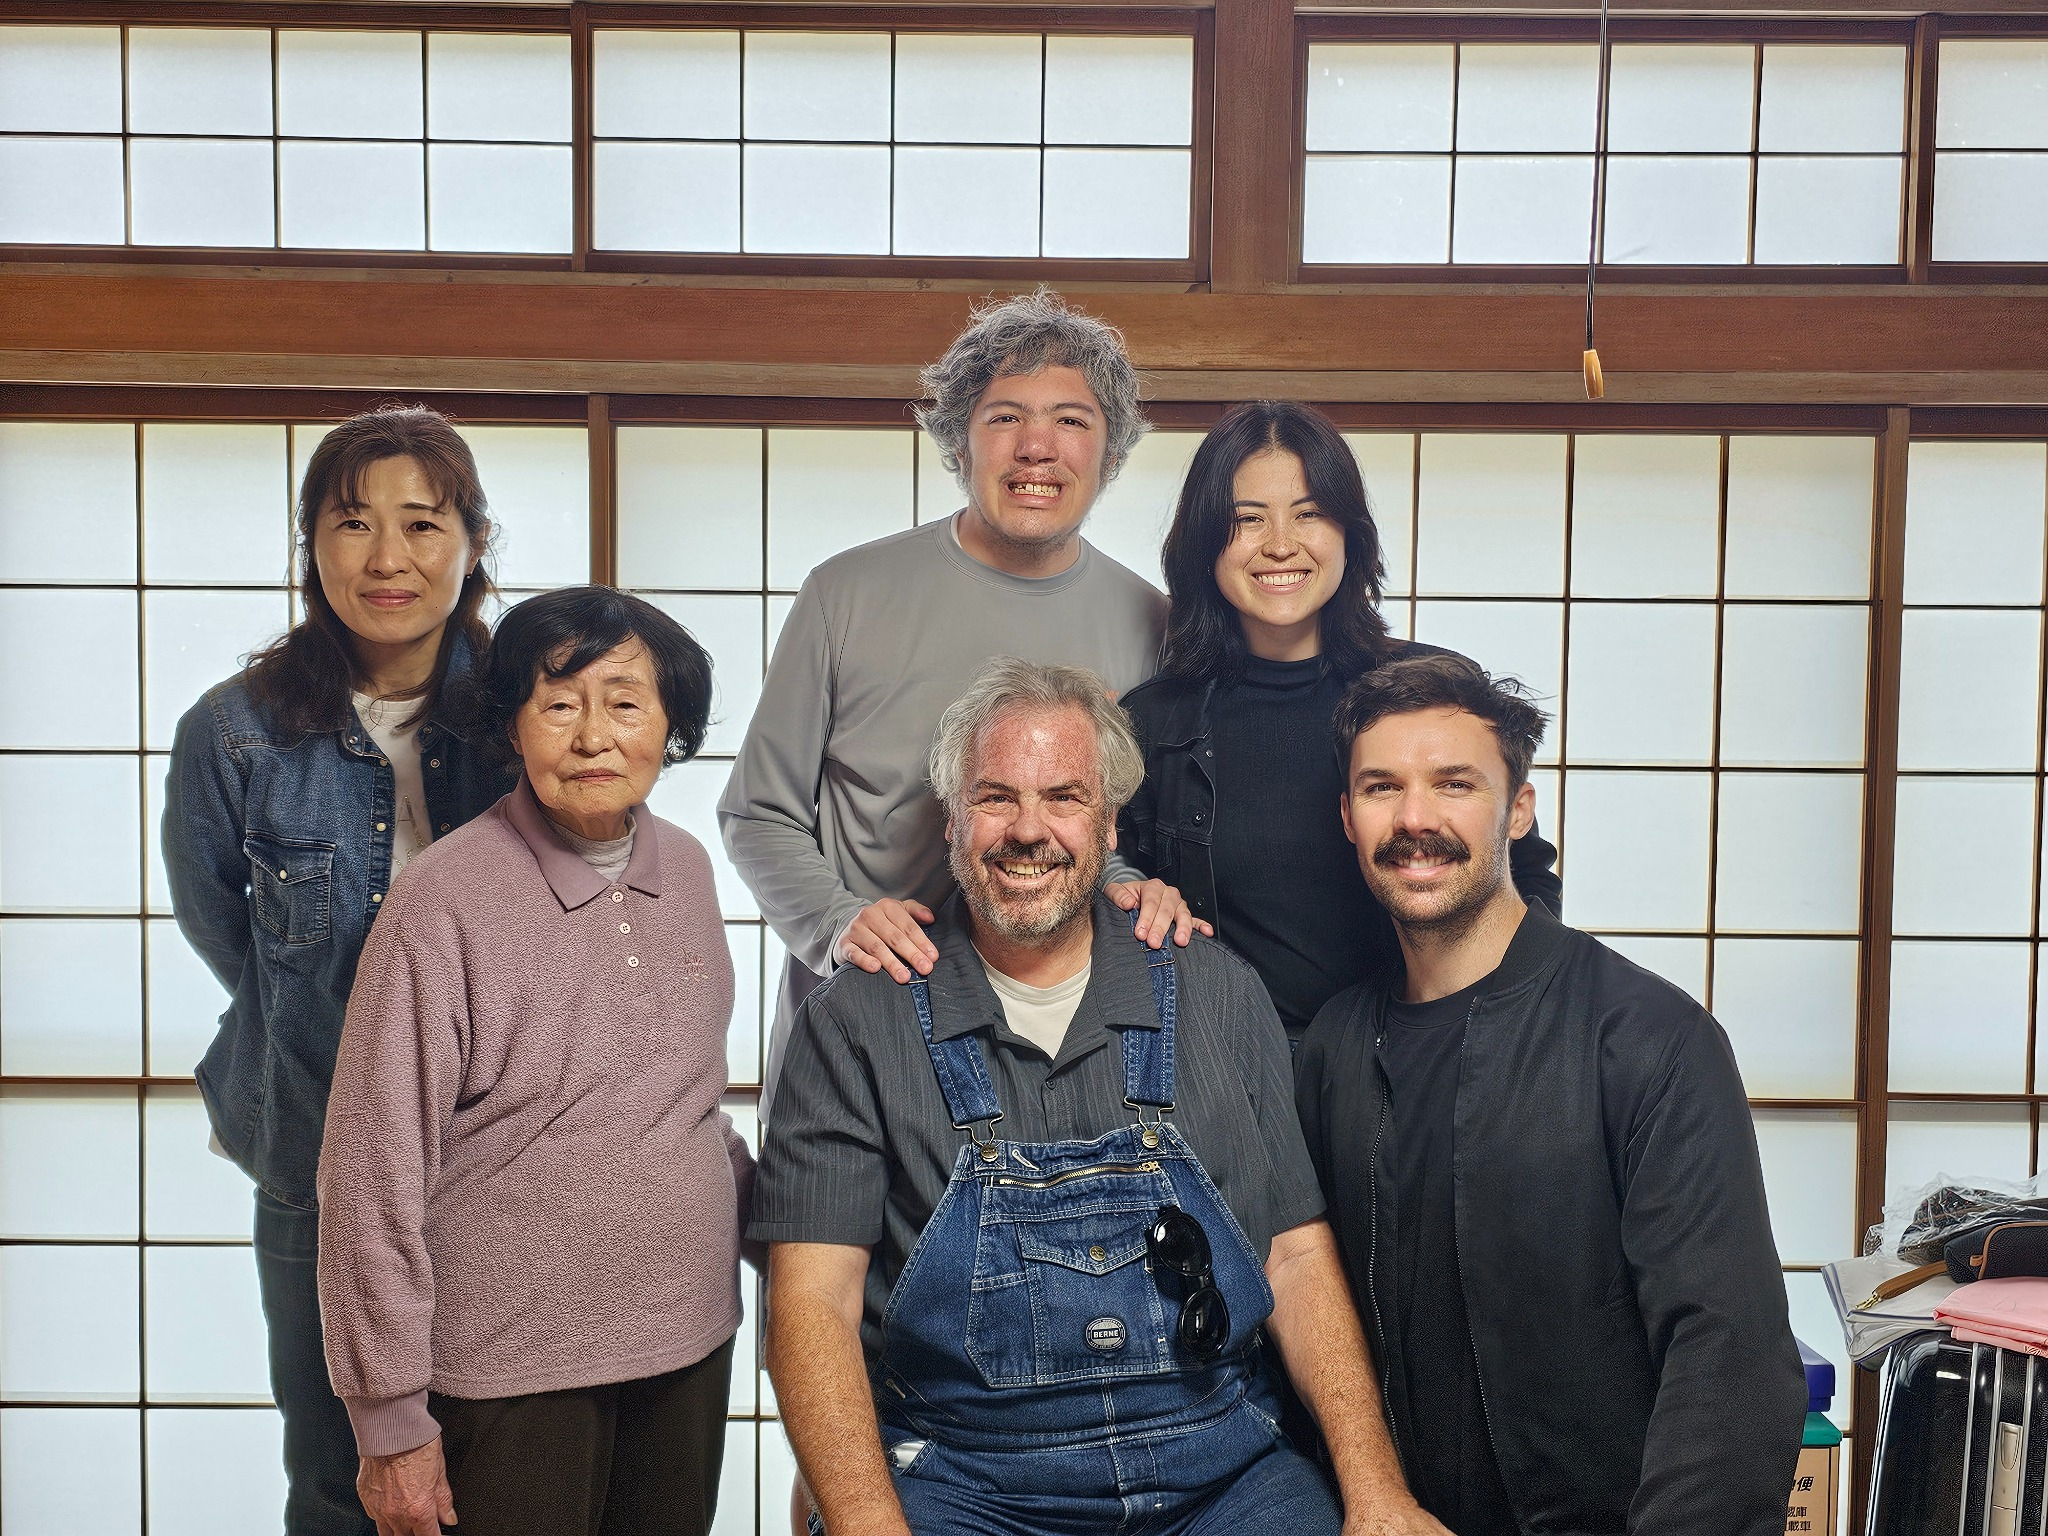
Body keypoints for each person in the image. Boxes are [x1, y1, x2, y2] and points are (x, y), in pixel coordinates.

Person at [752, 658, 1441, 1536]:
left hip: (1221, 1468)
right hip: (963, 1476)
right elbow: (812, 1305)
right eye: (995, 797)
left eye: (1064, 798)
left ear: (1110, 821)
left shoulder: (1216, 991)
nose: (1028, 831)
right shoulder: (854, 1023)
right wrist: (863, 1522)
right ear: (954, 819)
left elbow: (1297, 1262)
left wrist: (1379, 1492)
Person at [1294, 651, 1804, 1536]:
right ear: (1347, 816)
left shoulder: (1648, 1039)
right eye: (1382, 788)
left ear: (1518, 809)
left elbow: (1730, 1360)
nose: (1415, 819)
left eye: (1454, 783)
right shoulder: (1333, 1046)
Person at [317, 587, 753, 1536]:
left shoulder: (685, 866)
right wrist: (388, 1420)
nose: (594, 736)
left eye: (627, 703)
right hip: (510, 1367)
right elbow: (369, 1171)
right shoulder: (443, 900)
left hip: (689, 1340)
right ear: (512, 726)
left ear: (671, 724)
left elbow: (688, 1102)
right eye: (560, 705)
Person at [720, 287, 1203, 1121]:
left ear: (1111, 452)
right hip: (862, 1024)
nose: (1038, 447)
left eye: (1073, 422)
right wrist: (839, 922)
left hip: (1058, 1053)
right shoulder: (847, 593)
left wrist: (1136, 888)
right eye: (1006, 417)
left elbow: (1110, 830)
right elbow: (758, 814)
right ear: (959, 440)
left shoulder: (1153, 622)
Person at [162, 404, 510, 1536]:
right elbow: (231, 937)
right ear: (311, 543)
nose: (388, 557)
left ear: (472, 541)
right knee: (341, 1481)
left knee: (508, 1480)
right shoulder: (234, 734)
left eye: (422, 522)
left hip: (506, 1166)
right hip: (314, 1151)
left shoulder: (529, 712)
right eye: (351, 522)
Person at [1120, 401, 1561, 1040]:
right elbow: (1113, 899)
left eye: (1310, 514)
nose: (1279, 545)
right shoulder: (1155, 721)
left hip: (1424, 1057)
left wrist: (1497, 1035)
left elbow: (1523, 878)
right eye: (1245, 519)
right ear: (1204, 544)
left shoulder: (1431, 689)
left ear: (1350, 534)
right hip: (1236, 1078)